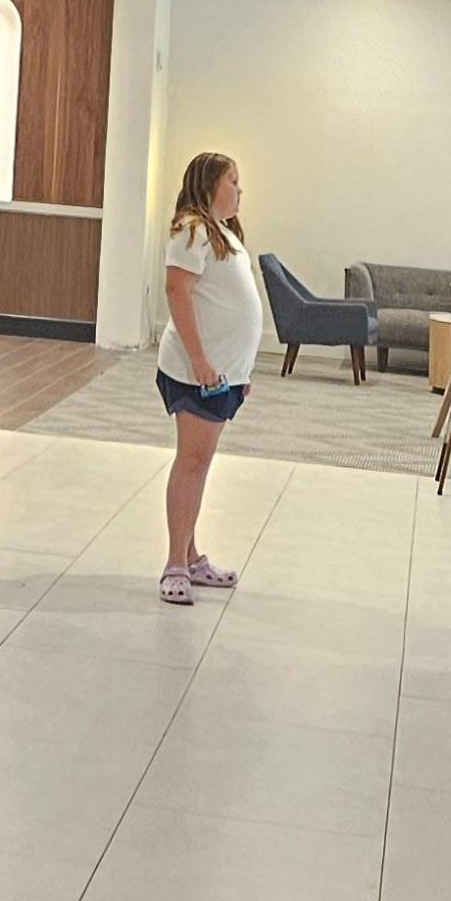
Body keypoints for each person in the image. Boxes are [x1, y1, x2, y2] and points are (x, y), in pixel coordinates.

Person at [155, 149, 264, 602]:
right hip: (195, 372)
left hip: (222, 374)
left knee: (200, 464)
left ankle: (190, 554)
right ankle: (175, 564)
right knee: (192, 461)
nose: (240, 190)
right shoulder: (192, 229)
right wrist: (199, 359)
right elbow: (177, 291)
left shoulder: (223, 233)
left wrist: (241, 369)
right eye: (232, 181)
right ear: (210, 185)